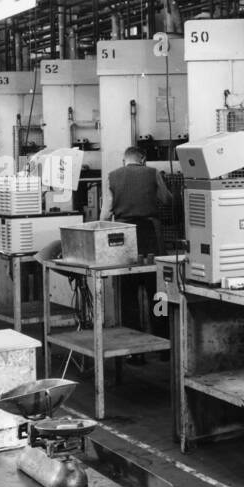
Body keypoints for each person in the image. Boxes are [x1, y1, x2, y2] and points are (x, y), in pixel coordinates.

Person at [100, 146, 172, 349]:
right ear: (143, 159)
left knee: (128, 292)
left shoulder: (112, 176)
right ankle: (163, 341)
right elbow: (167, 199)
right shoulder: (153, 173)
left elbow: (106, 213)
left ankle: (133, 349)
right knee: (158, 291)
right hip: (151, 235)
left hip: (124, 237)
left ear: (124, 160)